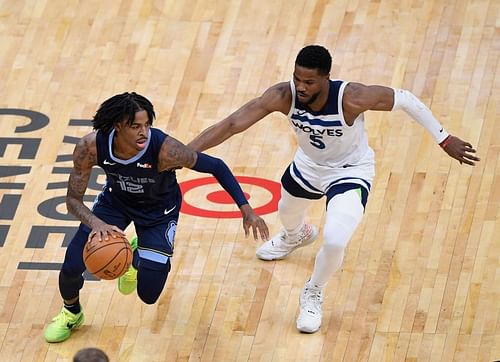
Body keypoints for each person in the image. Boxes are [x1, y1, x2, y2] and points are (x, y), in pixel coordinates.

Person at [187, 45, 480, 333]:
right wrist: (185, 153)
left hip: (350, 172)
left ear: (326, 78)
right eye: (297, 78)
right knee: (286, 213)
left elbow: (404, 99)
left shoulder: (352, 98)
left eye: (309, 82)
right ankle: (296, 235)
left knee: (336, 239)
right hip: (308, 167)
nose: (300, 87)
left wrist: (443, 138)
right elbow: (232, 124)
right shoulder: (283, 95)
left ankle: (313, 292)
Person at [44, 92, 269, 343]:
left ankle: (136, 256)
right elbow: (72, 200)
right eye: (136, 126)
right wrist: (98, 224)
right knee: (72, 265)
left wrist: (245, 208)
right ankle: (71, 313)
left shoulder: (165, 150)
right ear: (118, 126)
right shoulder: (91, 147)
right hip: (115, 204)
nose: (144, 132)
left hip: (158, 211)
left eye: (147, 124)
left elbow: (216, 166)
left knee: (148, 294)